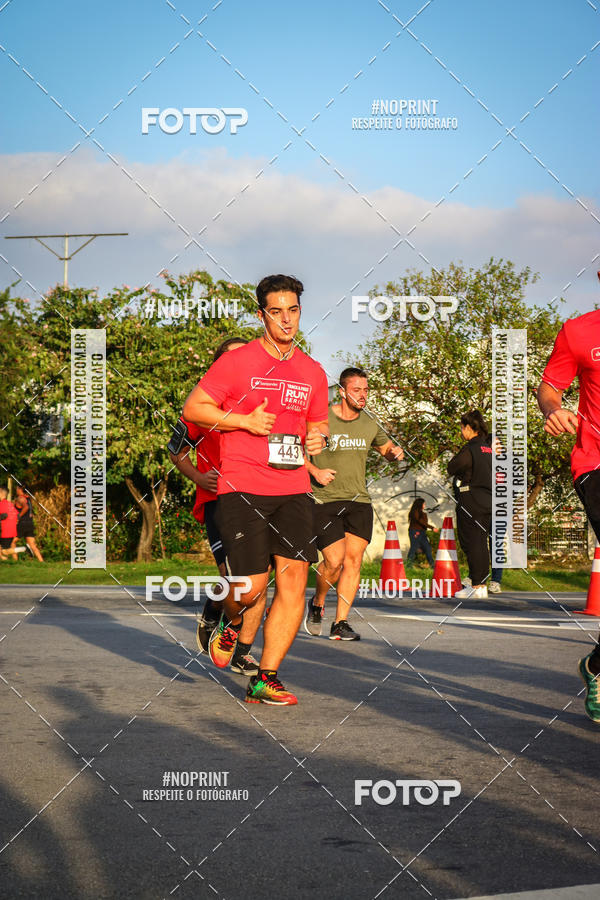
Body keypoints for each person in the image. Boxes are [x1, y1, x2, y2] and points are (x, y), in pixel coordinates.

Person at [182, 274, 329, 705]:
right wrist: (244, 421)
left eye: (294, 309)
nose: (287, 319)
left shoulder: (312, 371)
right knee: (249, 590)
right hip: (242, 486)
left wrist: (318, 439)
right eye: (277, 311)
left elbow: (316, 424)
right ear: (261, 314)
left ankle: (266, 677)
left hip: (293, 487)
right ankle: (228, 621)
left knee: (294, 581)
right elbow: (195, 408)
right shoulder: (236, 362)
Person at [169, 337, 265, 676]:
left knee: (259, 582)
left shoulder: (261, 401)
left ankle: (239, 647)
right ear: (217, 365)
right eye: (230, 357)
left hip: (260, 498)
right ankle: (223, 618)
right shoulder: (203, 407)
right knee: (233, 578)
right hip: (218, 499)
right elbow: (175, 450)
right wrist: (198, 476)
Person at [304, 367, 404, 640]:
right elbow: (294, 450)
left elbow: (386, 450)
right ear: (343, 391)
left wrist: (395, 453)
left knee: (354, 562)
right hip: (325, 499)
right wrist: (315, 472)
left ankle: (340, 623)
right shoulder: (321, 418)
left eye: (366, 390)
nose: (363, 395)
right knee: (333, 562)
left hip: (359, 500)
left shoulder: (369, 423)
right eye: (357, 390)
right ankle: (318, 602)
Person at [537, 301, 600, 722]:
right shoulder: (579, 332)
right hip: (595, 462)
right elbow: (549, 388)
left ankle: (596, 666)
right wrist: (553, 409)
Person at [447, 410, 493, 599]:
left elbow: (453, 467)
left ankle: (476, 584)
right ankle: (481, 585)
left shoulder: (470, 448)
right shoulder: (488, 448)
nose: (461, 431)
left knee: (471, 542)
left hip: (470, 499)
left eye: (462, 427)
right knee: (481, 542)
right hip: (487, 500)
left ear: (469, 428)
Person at [13, 485, 44, 562]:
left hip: (22, 524)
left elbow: (25, 507)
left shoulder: (21, 498)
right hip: (30, 523)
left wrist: (18, 516)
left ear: (20, 489)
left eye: (17, 488)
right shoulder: (28, 498)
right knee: (32, 545)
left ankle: (15, 561)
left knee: (12, 542)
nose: (16, 490)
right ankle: (42, 562)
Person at [406, 498, 438, 567]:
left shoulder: (423, 514)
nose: (425, 505)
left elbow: (424, 523)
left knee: (427, 548)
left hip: (422, 533)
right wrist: (432, 528)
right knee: (414, 548)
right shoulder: (415, 513)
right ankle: (408, 565)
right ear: (420, 504)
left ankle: (432, 565)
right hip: (415, 532)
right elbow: (421, 522)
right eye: (424, 504)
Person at [0, 487, 19, 562]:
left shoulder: (1, 504)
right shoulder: (10, 504)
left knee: (5, 551)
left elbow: (4, 516)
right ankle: (5, 561)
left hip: (5, 531)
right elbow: (18, 516)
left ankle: (25, 549)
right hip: (12, 530)